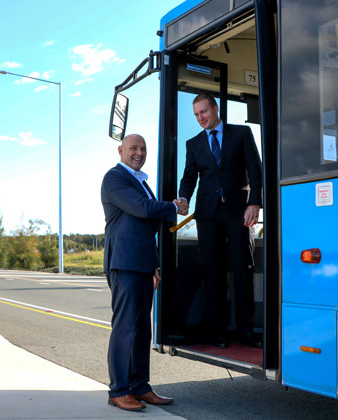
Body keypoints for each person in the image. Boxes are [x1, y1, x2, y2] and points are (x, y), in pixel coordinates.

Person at [101, 134, 184, 411]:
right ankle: (119, 390)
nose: (139, 153)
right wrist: (173, 206)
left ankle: (139, 387)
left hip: (142, 264)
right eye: (133, 148)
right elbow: (143, 209)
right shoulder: (114, 178)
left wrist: (154, 265)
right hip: (123, 263)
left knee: (141, 330)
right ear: (121, 150)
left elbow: (148, 230)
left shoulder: (141, 182)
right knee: (125, 328)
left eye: (143, 149)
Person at [177, 93, 262, 349]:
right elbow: (189, 176)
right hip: (208, 214)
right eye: (196, 114)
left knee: (242, 270)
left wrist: (255, 203)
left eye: (204, 111)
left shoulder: (241, 133)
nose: (201, 117)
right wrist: (183, 198)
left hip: (239, 213)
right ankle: (217, 332)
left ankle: (245, 331)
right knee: (212, 272)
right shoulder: (193, 144)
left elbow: (255, 170)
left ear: (215, 109)